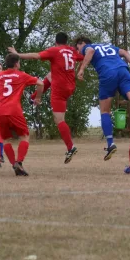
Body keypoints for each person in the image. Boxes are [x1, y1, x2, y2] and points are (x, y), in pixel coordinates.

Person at [75, 36, 130, 161]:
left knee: (105, 111)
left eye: (78, 48)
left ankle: (110, 143)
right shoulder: (109, 46)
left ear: (82, 43)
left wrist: (82, 69)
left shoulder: (88, 47)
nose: (78, 51)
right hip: (123, 70)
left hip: (107, 73)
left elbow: (90, 52)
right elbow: (125, 53)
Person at [8, 32, 84, 164]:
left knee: (59, 120)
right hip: (70, 87)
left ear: (56, 42)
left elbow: (36, 56)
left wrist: (17, 54)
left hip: (59, 89)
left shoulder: (55, 50)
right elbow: (83, 56)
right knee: (51, 74)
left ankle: (70, 147)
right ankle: (33, 97)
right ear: (66, 42)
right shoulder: (71, 51)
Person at [0, 54, 43, 176]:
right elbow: (41, 83)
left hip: (1, 111)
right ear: (16, 64)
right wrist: (38, 98)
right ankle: (19, 162)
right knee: (24, 136)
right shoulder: (21, 75)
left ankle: (14, 164)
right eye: (19, 62)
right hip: (14, 110)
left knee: (5, 140)